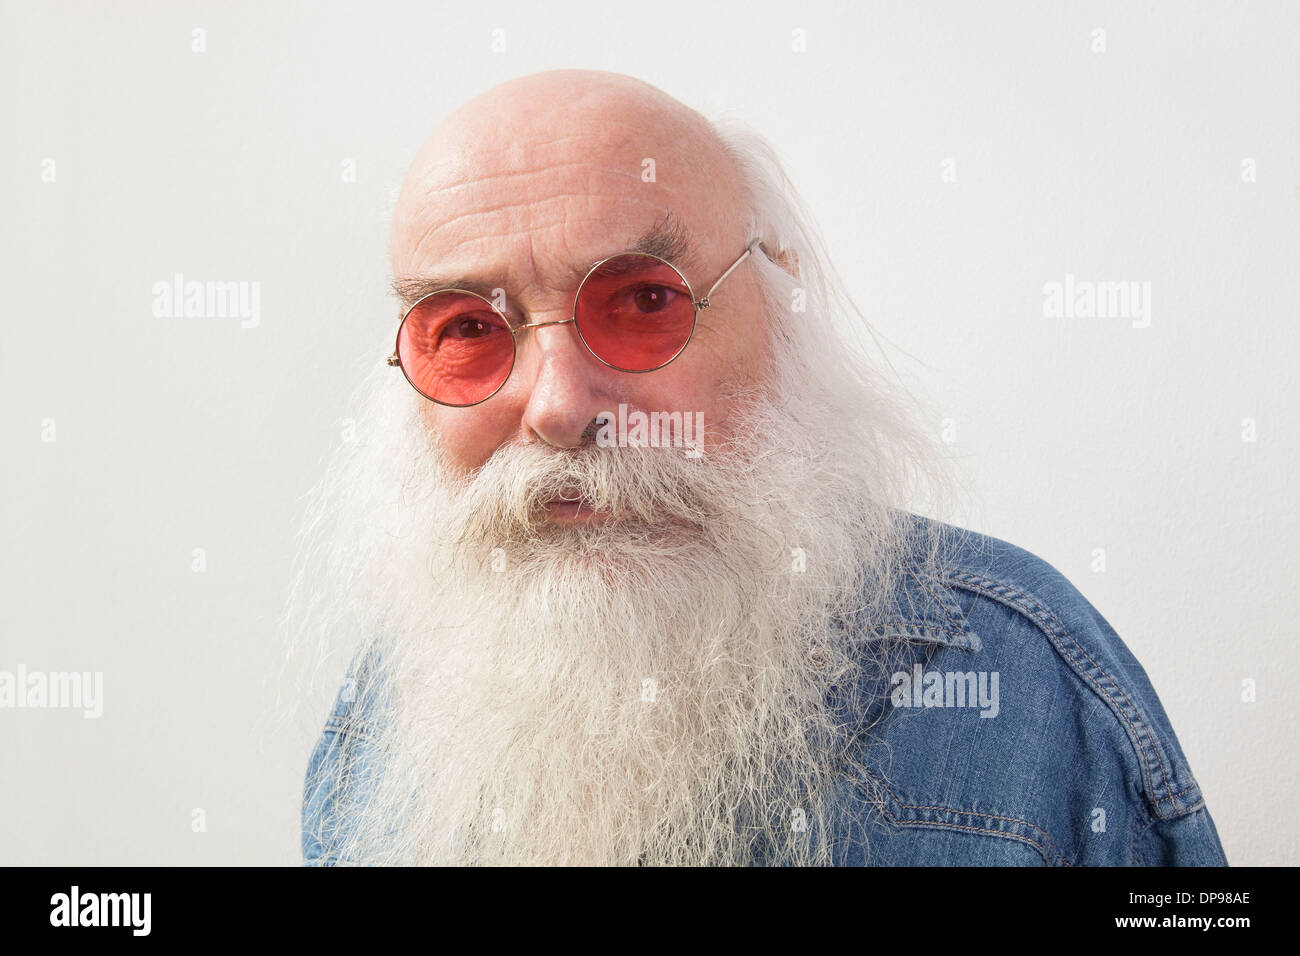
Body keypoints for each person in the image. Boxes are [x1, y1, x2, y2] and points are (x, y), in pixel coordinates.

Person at [291, 69, 1227, 866]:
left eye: (643, 301)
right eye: (466, 330)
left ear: (778, 308)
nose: (557, 407)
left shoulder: (1025, 683)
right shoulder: (384, 725)